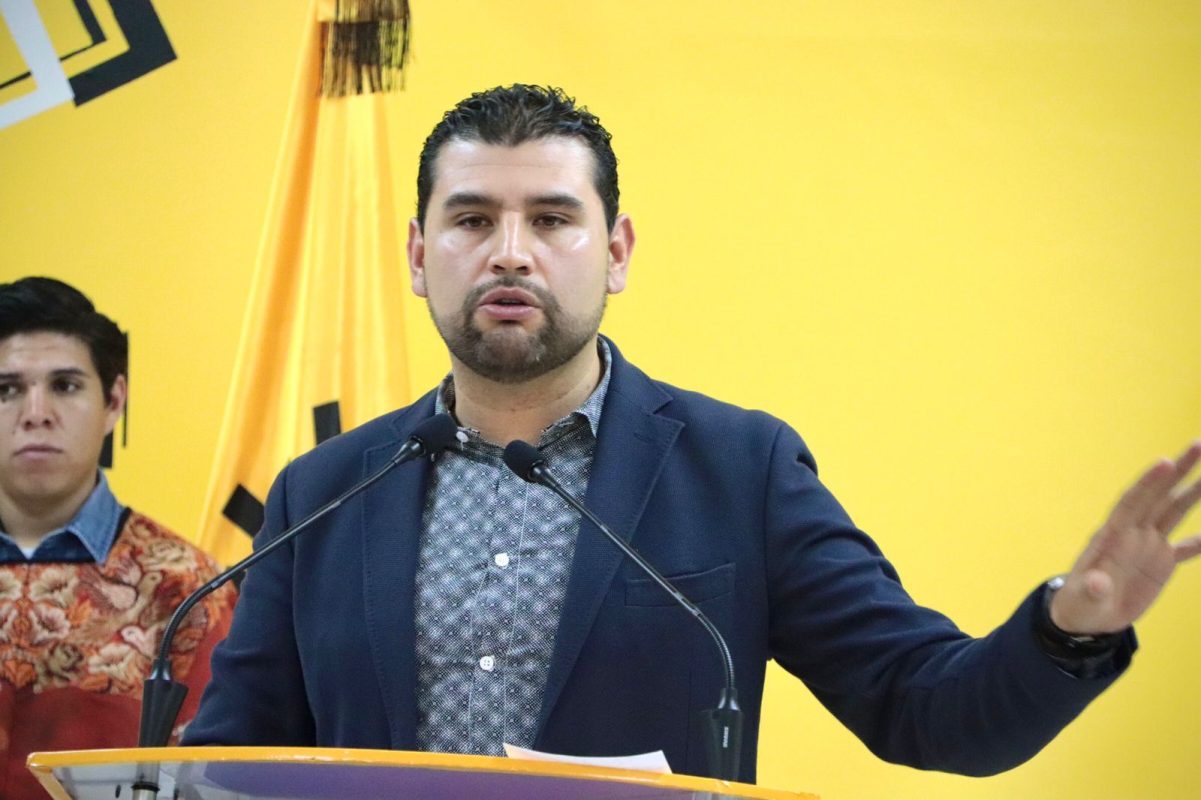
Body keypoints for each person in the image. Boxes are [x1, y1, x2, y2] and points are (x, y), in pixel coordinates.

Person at [184, 85, 1201, 782]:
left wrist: (1069, 628)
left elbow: (926, 709)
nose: (510, 254)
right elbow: (230, 761)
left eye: (552, 219)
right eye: (471, 220)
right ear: (417, 254)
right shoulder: (323, 490)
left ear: (617, 251)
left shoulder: (739, 470)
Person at [0, 277, 236, 798]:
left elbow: (208, 780)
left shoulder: (185, 588)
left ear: (113, 401)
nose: (36, 413)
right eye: (7, 390)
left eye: (65, 386)